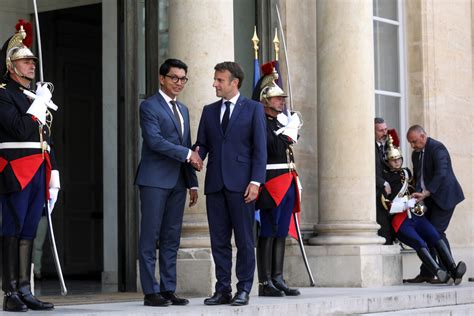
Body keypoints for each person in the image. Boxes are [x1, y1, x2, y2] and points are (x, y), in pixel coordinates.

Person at [195, 61, 266, 306]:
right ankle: (222, 289)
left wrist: (256, 181)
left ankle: (244, 288)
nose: (215, 83)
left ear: (234, 83)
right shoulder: (208, 110)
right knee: (219, 241)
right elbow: (202, 144)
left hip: (243, 185)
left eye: (219, 80)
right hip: (215, 184)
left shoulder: (254, 109)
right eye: (215, 79)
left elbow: (260, 150)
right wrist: (196, 155)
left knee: (245, 240)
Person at [0, 21, 58, 312]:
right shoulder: (3, 93)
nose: (31, 64)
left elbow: (44, 136)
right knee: (12, 228)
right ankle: (9, 291)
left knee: (29, 231)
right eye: (25, 60)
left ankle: (24, 289)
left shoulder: (34, 95)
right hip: (14, 169)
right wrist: (38, 106)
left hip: (38, 168)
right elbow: (19, 129)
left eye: (32, 60)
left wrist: (54, 172)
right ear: (11, 66)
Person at [134, 58, 201, 307]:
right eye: (174, 78)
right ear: (162, 78)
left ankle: (168, 288)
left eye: (183, 79)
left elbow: (188, 146)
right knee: (150, 236)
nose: (179, 83)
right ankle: (151, 292)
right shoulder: (149, 106)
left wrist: (192, 182)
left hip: (178, 181)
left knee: (172, 237)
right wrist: (187, 155)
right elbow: (154, 141)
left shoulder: (183, 109)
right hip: (154, 179)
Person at [380, 135, 466, 285]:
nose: (397, 162)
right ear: (387, 161)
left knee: (434, 234)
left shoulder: (409, 171)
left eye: (399, 159)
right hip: (400, 219)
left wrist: (420, 197)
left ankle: (453, 269)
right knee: (421, 242)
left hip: (424, 209)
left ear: (422, 136)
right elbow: (387, 204)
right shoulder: (385, 178)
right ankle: (436, 271)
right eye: (393, 160)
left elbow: (438, 174)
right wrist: (407, 203)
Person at [252, 63, 300, 297]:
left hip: (287, 179)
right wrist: (289, 132)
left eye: (282, 99)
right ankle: (265, 282)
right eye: (277, 99)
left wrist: (289, 129)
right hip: (272, 180)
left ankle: (278, 277)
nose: (282, 102)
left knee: (281, 230)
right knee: (268, 229)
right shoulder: (261, 121)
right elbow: (273, 147)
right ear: (265, 101)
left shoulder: (279, 122)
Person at [404, 125, 465, 284]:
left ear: (423, 136)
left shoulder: (438, 149)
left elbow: (441, 173)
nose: (413, 146)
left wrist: (427, 192)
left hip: (445, 197)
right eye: (410, 143)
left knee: (435, 233)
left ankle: (449, 273)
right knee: (427, 233)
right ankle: (429, 272)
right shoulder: (416, 155)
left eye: (415, 142)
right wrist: (417, 195)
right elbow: (419, 177)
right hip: (429, 199)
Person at [374, 117, 395, 245]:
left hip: (391, 191)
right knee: (383, 224)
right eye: (381, 130)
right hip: (377, 192)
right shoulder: (368, 147)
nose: (385, 133)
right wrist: (383, 183)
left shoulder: (389, 144)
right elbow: (368, 170)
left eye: (386, 129)